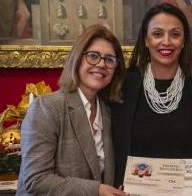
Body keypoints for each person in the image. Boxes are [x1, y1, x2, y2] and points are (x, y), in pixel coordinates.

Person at [110, 3, 192, 186]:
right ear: (146, 39)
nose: (166, 42)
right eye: (157, 34)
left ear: (183, 41)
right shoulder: (124, 83)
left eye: (175, 34)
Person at [16, 24, 127, 196]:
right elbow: (36, 181)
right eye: (93, 56)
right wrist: (97, 190)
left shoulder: (108, 111)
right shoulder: (46, 108)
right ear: (77, 59)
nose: (101, 64)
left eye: (109, 59)